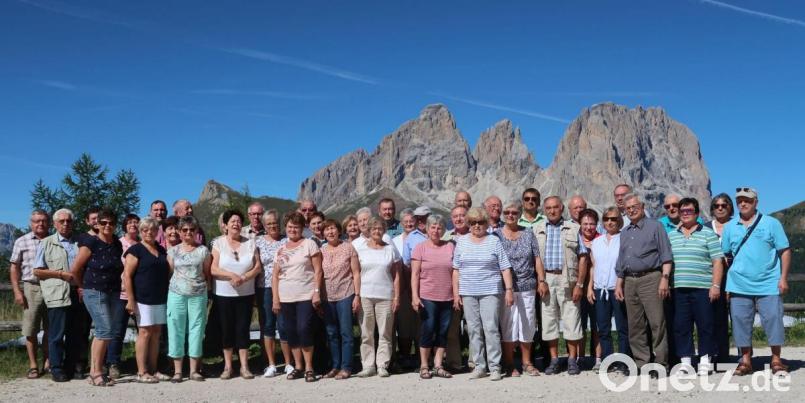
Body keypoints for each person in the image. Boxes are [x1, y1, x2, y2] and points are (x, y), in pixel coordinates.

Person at [722, 188, 791, 376]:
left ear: (756, 202)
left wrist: (783, 278)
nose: (743, 203)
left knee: (773, 319)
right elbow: (726, 254)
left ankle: (776, 359)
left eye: (747, 200)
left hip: (768, 282)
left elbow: (785, 251)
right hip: (738, 284)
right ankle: (745, 361)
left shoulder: (771, 223)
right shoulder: (730, 227)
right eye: (740, 201)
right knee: (740, 321)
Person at [453, 207, 515, 381]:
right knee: (473, 329)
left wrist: (509, 290)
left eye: (480, 222)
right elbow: (456, 270)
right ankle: (479, 366)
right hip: (468, 292)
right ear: (468, 224)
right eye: (473, 222)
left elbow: (505, 268)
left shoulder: (494, 241)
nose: (477, 225)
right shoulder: (461, 241)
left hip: (490, 291)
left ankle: (495, 367)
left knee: (491, 328)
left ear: (486, 223)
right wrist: (456, 294)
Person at [614, 193, 673, 373]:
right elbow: (622, 260)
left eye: (634, 206)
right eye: (628, 208)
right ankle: (642, 363)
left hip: (651, 278)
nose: (631, 210)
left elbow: (666, 255)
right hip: (629, 281)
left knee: (657, 323)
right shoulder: (624, 232)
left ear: (642, 207)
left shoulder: (656, 226)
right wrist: (619, 283)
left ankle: (661, 364)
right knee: (635, 325)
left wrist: (664, 279)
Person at [533, 196, 589, 375]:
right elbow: (536, 258)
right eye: (548, 208)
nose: (552, 211)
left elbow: (583, 257)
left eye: (555, 207)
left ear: (562, 208)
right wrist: (541, 280)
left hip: (568, 279)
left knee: (572, 318)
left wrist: (580, 284)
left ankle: (572, 360)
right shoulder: (537, 229)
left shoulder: (574, 228)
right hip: (547, 279)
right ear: (544, 210)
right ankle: (554, 360)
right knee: (549, 320)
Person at [669, 197, 724, 376]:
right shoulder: (672, 235)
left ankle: (705, 360)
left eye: (689, 211)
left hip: (703, 288)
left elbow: (717, 261)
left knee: (705, 325)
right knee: (681, 326)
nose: (685, 214)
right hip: (679, 288)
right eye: (682, 211)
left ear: (697, 213)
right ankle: (686, 362)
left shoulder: (708, 233)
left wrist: (716, 285)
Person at [72, 208, 124, 386]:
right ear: (98, 224)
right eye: (103, 222)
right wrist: (81, 286)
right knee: (104, 330)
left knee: (106, 332)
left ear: (115, 225)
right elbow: (75, 269)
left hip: (113, 292)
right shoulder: (90, 242)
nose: (107, 225)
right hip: (94, 291)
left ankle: (96, 370)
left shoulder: (116, 244)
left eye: (111, 222)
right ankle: (96, 372)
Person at [495, 201, 545, 377]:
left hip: (527, 286)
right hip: (505, 288)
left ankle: (527, 362)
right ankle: (509, 363)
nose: (510, 215)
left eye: (514, 212)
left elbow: (537, 258)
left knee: (528, 324)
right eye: (507, 212)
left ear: (519, 214)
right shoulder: (496, 235)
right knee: (508, 325)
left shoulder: (528, 233)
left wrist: (541, 280)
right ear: (503, 214)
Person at [272, 211, 323, 382]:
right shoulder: (281, 249)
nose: (293, 229)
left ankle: (309, 367)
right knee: (291, 332)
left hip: (305, 295)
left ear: (302, 228)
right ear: (285, 228)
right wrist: (275, 298)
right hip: (285, 297)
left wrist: (316, 292)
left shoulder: (309, 244)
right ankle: (298, 366)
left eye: (296, 226)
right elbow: (275, 276)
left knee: (304, 329)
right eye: (290, 226)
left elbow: (318, 270)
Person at [211, 209, 262, 380]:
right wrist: (231, 276)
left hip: (246, 294)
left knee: (242, 329)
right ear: (225, 225)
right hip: (223, 294)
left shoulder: (250, 243)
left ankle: (244, 367)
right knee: (226, 330)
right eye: (232, 221)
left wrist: (244, 277)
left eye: (239, 221)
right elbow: (213, 269)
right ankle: (228, 366)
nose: (236, 224)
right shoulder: (218, 243)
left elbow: (257, 267)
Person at [33, 209, 80, 382]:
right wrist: (60, 274)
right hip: (57, 293)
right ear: (54, 224)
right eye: (62, 221)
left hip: (77, 292)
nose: (66, 224)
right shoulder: (46, 243)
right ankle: (56, 368)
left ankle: (71, 367)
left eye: (69, 221)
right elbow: (37, 271)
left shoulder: (79, 242)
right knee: (57, 334)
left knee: (75, 333)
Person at [123, 217, 171, 383]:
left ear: (157, 231)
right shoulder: (135, 250)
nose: (149, 232)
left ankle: (153, 369)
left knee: (156, 333)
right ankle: (142, 371)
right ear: (140, 231)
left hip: (160, 298)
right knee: (144, 333)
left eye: (152, 229)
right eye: (145, 230)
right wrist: (131, 300)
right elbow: (127, 276)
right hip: (142, 298)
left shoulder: (161, 250)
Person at [166, 216, 211, 382]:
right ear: (179, 231)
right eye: (184, 230)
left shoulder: (203, 251)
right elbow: (170, 272)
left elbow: (207, 272)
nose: (188, 233)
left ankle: (194, 370)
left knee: (197, 330)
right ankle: (178, 371)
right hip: (176, 294)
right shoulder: (172, 251)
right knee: (175, 328)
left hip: (198, 295)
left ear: (196, 231)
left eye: (192, 229)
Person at [355, 217, 402, 378]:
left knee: (385, 332)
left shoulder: (390, 249)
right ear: (369, 230)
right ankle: (368, 365)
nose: (377, 231)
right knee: (366, 333)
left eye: (380, 228)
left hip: (386, 295)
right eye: (374, 228)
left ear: (384, 231)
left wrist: (396, 297)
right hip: (365, 295)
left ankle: (382, 365)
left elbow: (396, 275)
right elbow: (356, 274)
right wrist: (356, 295)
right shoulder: (360, 249)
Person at [587, 207, 631, 374]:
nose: (610, 222)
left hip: (617, 288)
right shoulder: (596, 242)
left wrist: (621, 284)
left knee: (622, 327)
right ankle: (608, 360)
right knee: (603, 328)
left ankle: (624, 361)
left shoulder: (624, 239)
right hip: (600, 289)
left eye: (613, 219)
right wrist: (590, 287)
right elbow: (594, 266)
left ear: (619, 221)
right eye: (606, 219)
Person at [411, 214, 455, 379]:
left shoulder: (450, 246)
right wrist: (415, 297)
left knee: (443, 331)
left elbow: (456, 272)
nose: (436, 231)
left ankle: (438, 365)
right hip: (427, 296)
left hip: (447, 296)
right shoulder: (420, 248)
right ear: (427, 229)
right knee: (428, 329)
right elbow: (415, 274)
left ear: (443, 230)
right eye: (433, 227)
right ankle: (424, 365)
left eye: (439, 228)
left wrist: (456, 295)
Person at [10, 209, 51, 379]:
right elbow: (14, 267)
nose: (40, 224)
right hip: (31, 287)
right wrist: (17, 291)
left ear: (48, 223)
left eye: (43, 220)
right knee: (31, 328)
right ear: (30, 223)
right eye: (36, 221)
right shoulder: (22, 241)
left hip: (52, 287)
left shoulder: (54, 240)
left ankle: (48, 362)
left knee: (51, 328)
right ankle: (33, 365)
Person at [320, 219, 361, 379]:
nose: (330, 232)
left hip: (346, 293)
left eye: (333, 229)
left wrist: (357, 295)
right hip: (327, 297)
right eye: (327, 229)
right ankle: (335, 366)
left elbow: (356, 273)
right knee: (331, 333)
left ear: (339, 231)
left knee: (346, 332)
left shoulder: (348, 248)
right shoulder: (321, 250)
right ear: (323, 233)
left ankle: (346, 367)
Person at [254, 210, 292, 378]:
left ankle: (289, 363)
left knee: (284, 324)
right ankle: (271, 364)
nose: (272, 226)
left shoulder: (287, 240)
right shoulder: (258, 242)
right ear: (264, 225)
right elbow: (255, 265)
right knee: (268, 324)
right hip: (265, 288)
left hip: (285, 286)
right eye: (269, 223)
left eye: (275, 223)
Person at [106, 213, 139, 379]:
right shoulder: (118, 243)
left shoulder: (142, 244)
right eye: (130, 222)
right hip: (120, 292)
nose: (133, 225)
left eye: (136, 222)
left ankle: (144, 363)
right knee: (118, 329)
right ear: (124, 225)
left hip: (139, 293)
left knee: (144, 330)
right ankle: (113, 363)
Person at [704, 192, 734, 363]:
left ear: (730, 207)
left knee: (738, 317)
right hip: (712, 278)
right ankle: (717, 354)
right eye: (716, 205)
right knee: (714, 317)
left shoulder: (737, 225)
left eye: (724, 205)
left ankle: (742, 355)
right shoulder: (705, 227)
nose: (720, 208)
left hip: (735, 277)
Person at [398, 206, 430, 367]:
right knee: (406, 323)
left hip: (431, 287)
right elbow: (405, 265)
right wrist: (410, 289)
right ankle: (405, 357)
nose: (421, 221)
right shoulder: (411, 237)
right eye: (419, 218)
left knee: (423, 324)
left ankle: (422, 358)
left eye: (425, 217)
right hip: (412, 285)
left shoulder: (437, 233)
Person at [578, 208, 601, 370]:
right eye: (585, 224)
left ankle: (598, 358)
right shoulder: (576, 238)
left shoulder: (601, 240)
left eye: (592, 224)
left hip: (596, 288)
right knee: (579, 324)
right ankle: (580, 357)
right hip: (578, 288)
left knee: (597, 324)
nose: (588, 227)